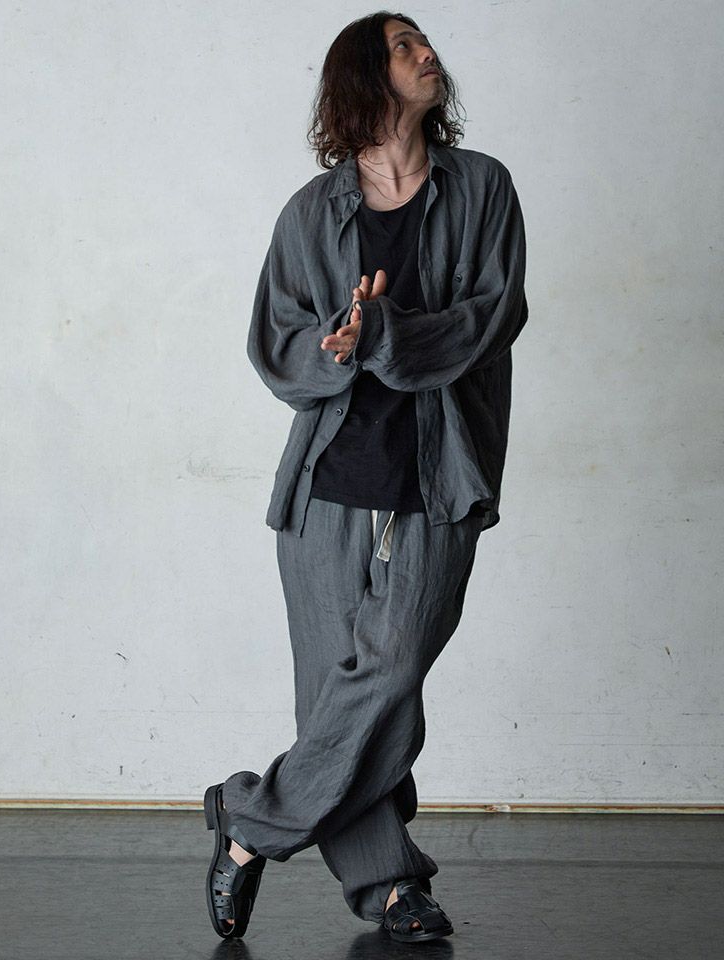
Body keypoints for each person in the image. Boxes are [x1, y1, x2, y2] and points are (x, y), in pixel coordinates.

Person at [203, 9, 529, 944]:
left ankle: (247, 824)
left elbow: (493, 315)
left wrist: (385, 332)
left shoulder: (482, 188)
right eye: (404, 46)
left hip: (440, 471)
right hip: (327, 481)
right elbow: (276, 344)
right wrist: (336, 345)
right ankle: (389, 886)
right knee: (333, 697)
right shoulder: (312, 212)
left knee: (387, 674)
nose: (428, 54)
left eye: (424, 41)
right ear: (363, 77)